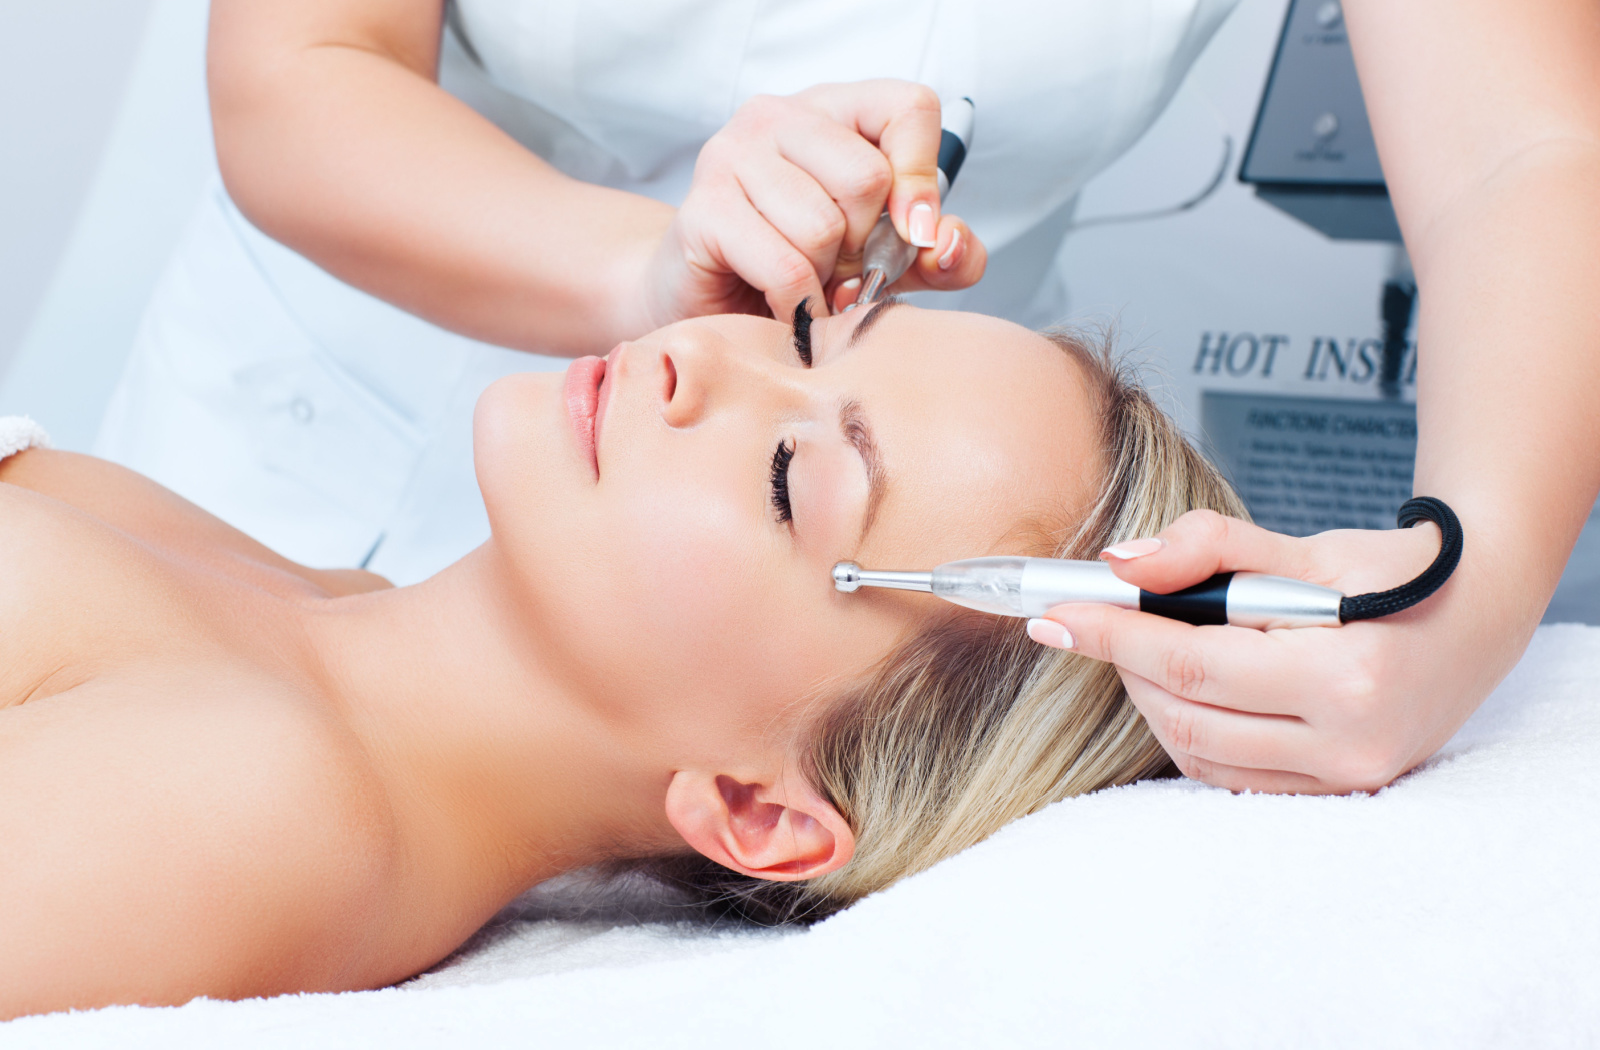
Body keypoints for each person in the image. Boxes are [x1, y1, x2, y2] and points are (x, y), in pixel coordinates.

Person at [0, 299, 1246, 1018]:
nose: (694, 357)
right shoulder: (321, 611)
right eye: (805, 334)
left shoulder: (263, 806)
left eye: (790, 474)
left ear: (758, 811)